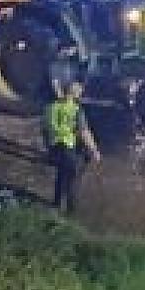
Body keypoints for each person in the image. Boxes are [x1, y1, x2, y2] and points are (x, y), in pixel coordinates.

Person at [43, 81, 101, 213]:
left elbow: (44, 131)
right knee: (73, 179)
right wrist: (94, 150)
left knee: (61, 175)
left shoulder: (50, 107)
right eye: (80, 92)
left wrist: (49, 148)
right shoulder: (75, 109)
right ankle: (71, 211)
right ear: (76, 94)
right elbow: (84, 132)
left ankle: (56, 205)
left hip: (54, 149)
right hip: (67, 148)